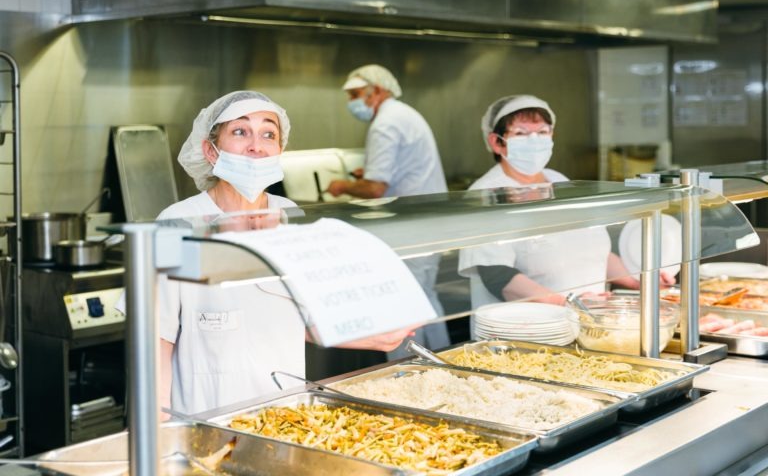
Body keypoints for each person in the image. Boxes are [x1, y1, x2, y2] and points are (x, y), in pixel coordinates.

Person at [153, 90, 413, 415]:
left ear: (279, 150)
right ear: (211, 150)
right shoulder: (178, 224)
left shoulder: (290, 215)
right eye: (239, 131)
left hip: (283, 410)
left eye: (268, 134)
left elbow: (297, 319)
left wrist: (370, 336)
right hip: (205, 412)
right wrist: (159, 422)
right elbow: (157, 336)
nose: (256, 145)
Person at [458, 95, 673, 320]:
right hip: (527, 330)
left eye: (542, 132)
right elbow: (496, 275)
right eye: (521, 133)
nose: (534, 140)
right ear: (497, 142)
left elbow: (592, 249)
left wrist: (637, 280)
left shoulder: (558, 181)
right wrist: (569, 304)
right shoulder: (486, 193)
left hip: (587, 320)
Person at [327, 64, 450, 357]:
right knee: (426, 299)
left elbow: (375, 189)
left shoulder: (385, 123)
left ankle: (404, 371)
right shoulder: (404, 114)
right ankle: (444, 359)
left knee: (403, 306)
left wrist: (341, 186)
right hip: (428, 221)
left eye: (356, 94)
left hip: (410, 227)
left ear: (377, 90)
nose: (352, 103)